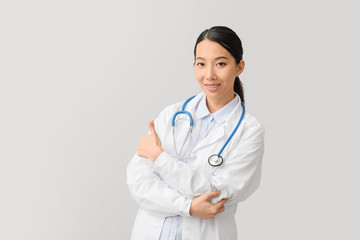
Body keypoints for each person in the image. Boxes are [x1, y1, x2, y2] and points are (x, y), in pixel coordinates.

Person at [127, 26, 265, 240]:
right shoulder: (171, 115)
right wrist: (188, 206)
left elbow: (217, 192)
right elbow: (139, 181)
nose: (209, 75)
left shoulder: (249, 131)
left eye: (220, 64)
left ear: (239, 67)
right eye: (201, 64)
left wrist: (158, 157)